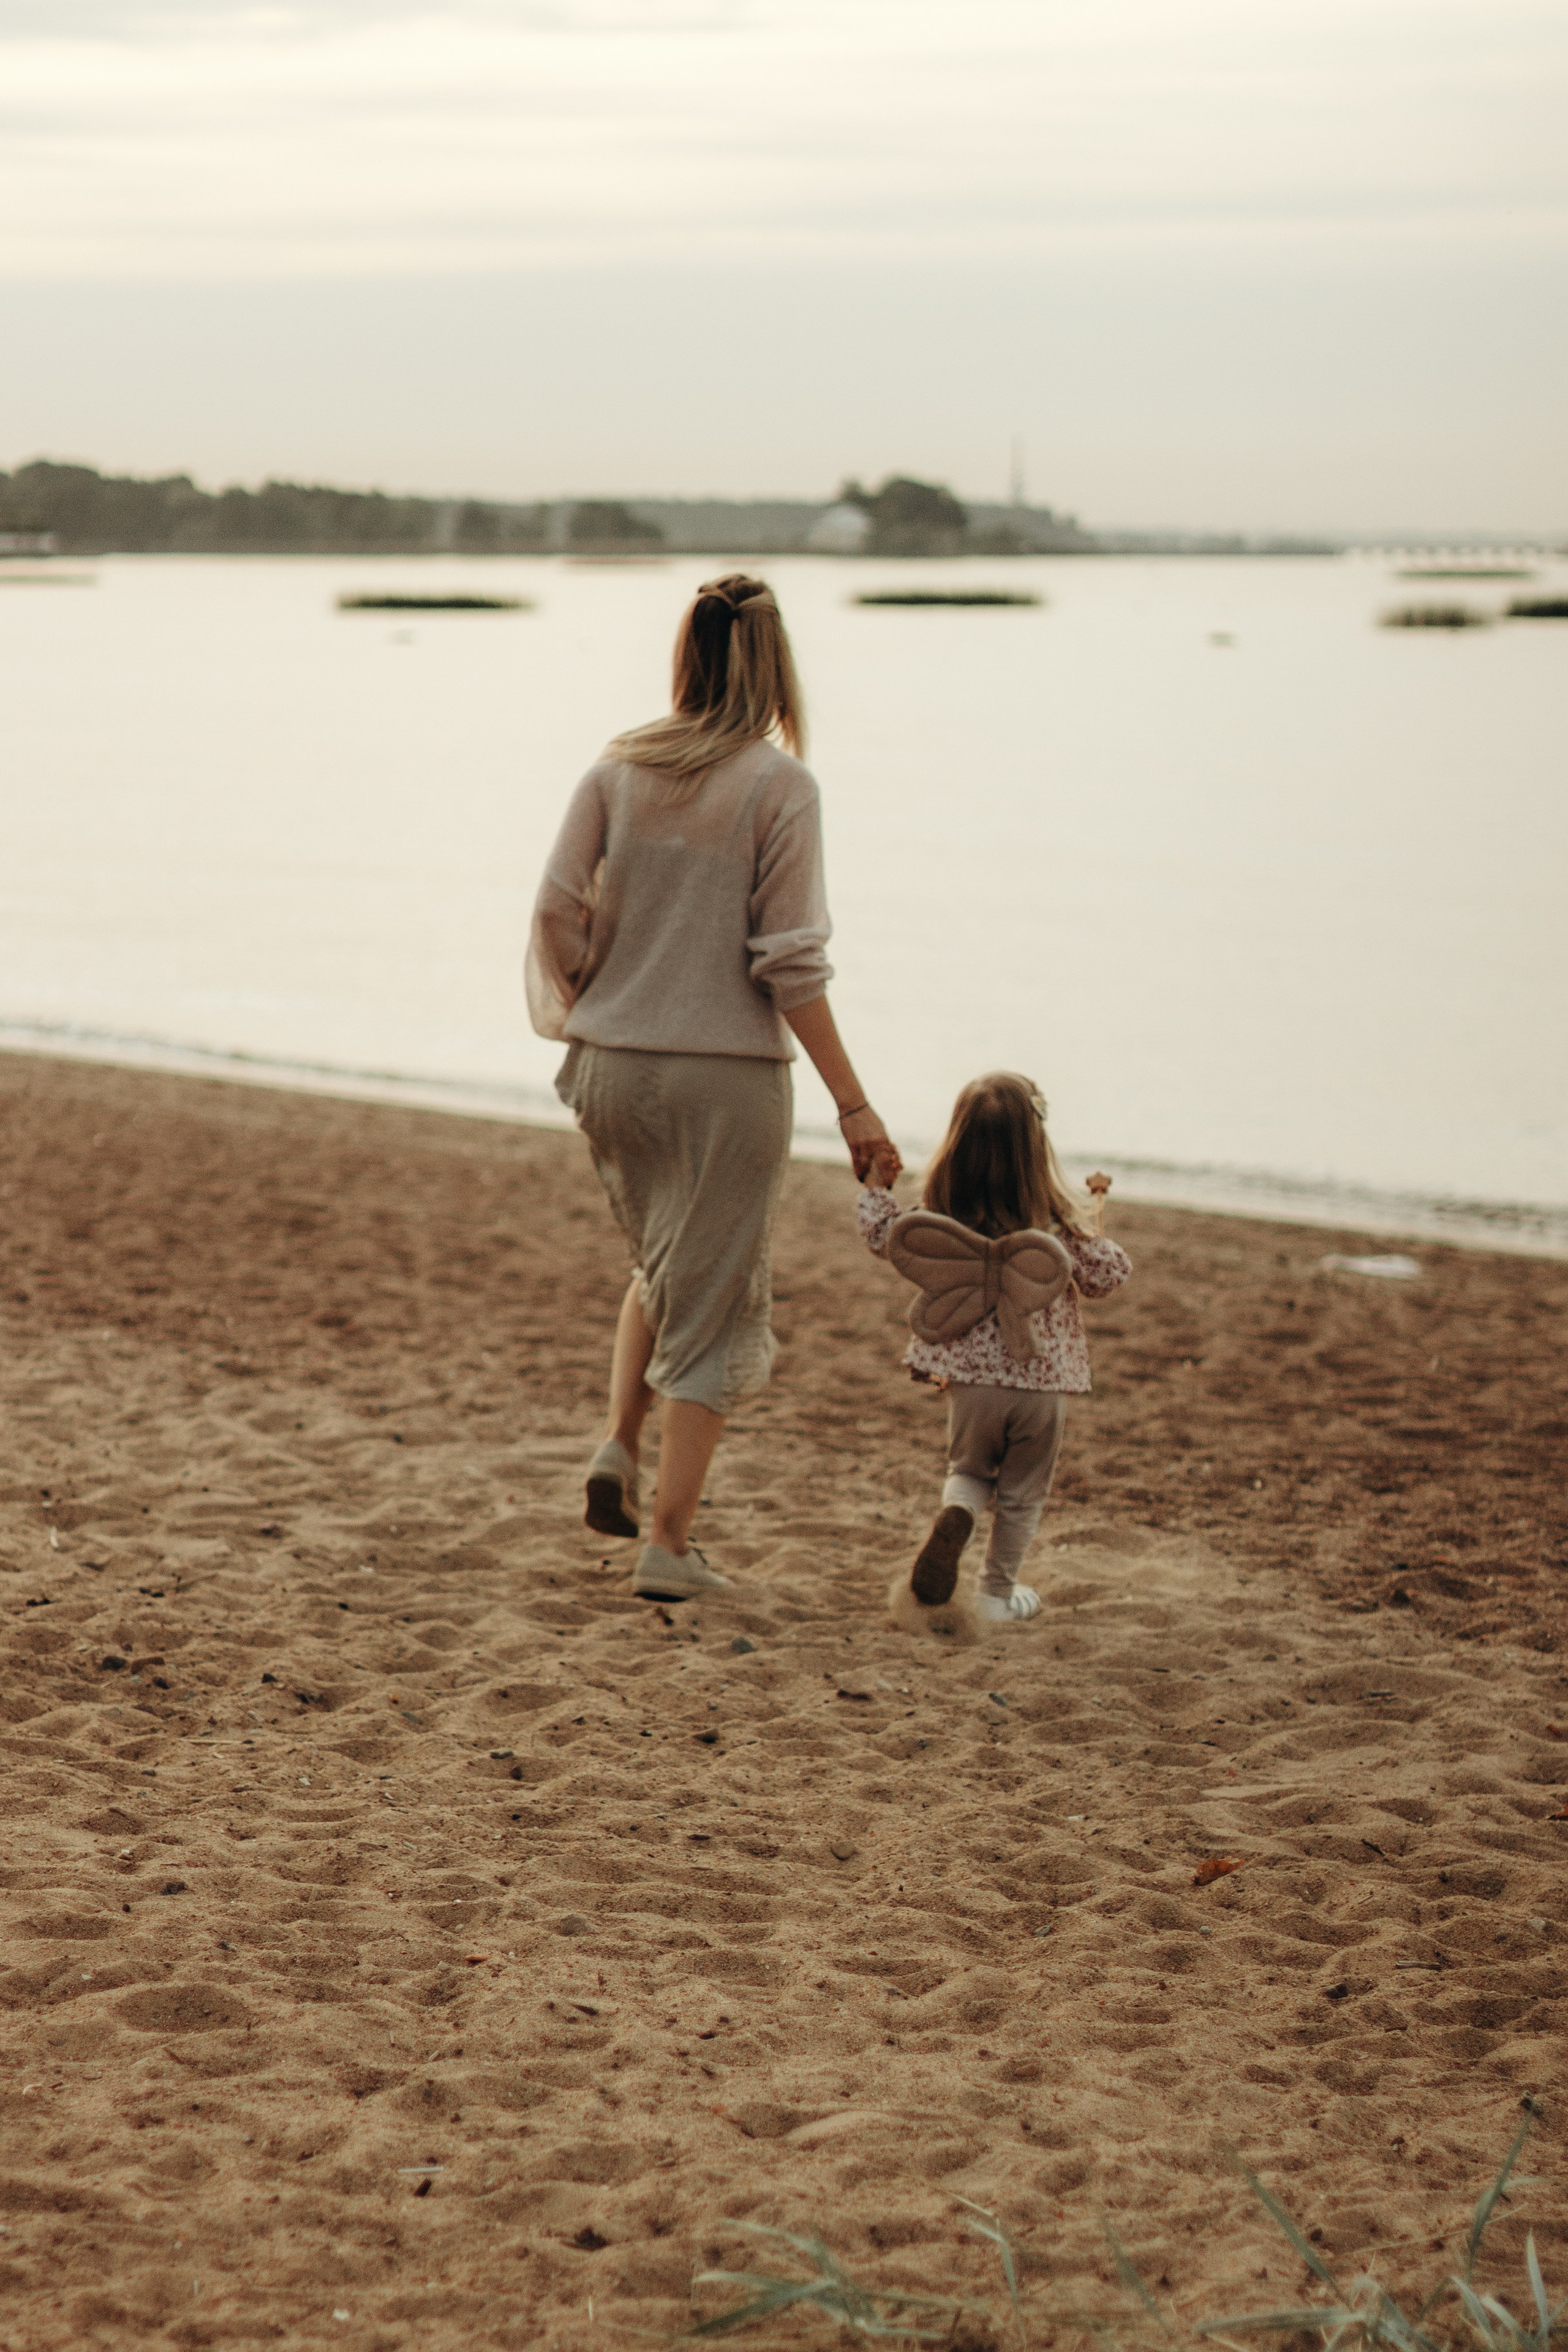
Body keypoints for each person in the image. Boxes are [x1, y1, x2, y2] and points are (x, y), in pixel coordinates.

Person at [527, 573, 900, 1602]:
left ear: (685, 655)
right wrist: (854, 1104)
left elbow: (556, 911)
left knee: (667, 1265)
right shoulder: (781, 788)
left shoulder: (618, 770)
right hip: (724, 1077)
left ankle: (616, 1444)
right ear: (776, 665)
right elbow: (790, 963)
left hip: (608, 1065)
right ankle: (671, 1546)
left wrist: (606, 995)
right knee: (721, 1304)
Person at [858, 1074, 1129, 1625]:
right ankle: (995, 1595)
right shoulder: (1055, 1229)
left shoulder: (940, 1217)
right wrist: (1088, 1226)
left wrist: (875, 1187)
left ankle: (958, 1511)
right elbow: (1108, 1275)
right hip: (1043, 1386)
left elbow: (885, 1234)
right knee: (1023, 1494)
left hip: (973, 1386)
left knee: (971, 1470)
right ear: (1036, 1147)